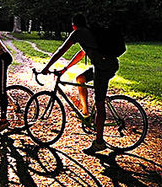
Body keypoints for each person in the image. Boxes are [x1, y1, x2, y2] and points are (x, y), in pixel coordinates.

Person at [41, 13, 119, 154]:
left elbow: (61, 51)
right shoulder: (87, 33)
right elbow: (81, 54)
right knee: (80, 78)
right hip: (104, 65)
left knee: (100, 103)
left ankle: (99, 142)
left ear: (74, 26)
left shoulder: (78, 33)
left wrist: (46, 67)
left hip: (104, 68)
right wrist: (65, 69)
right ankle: (86, 112)